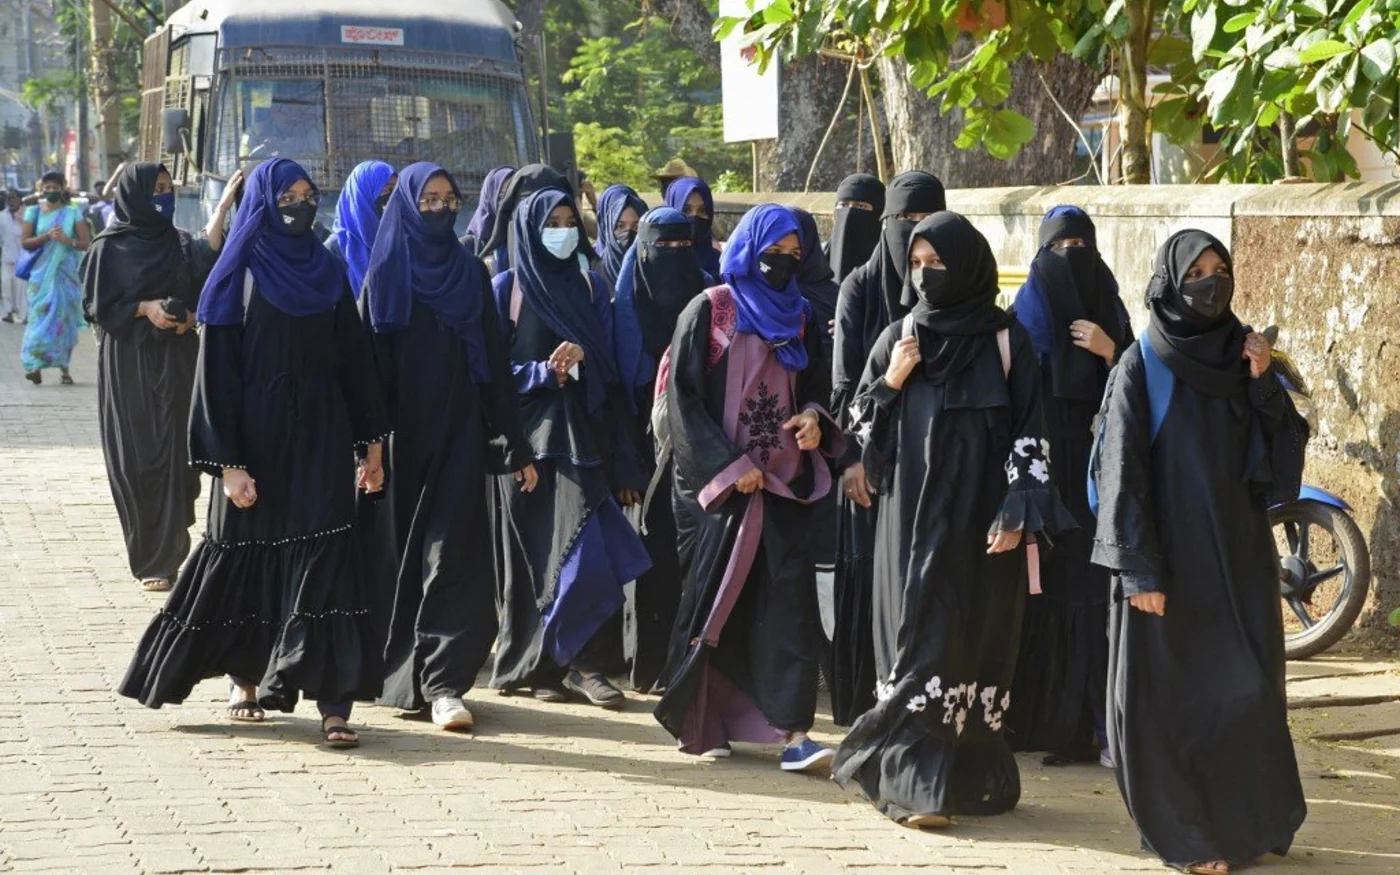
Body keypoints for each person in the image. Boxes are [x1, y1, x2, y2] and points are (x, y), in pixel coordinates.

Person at [118, 159, 390, 750]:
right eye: (286, 195)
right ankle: (245, 680)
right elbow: (216, 380)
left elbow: (356, 363)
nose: (299, 204)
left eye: (307, 194)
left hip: (320, 439)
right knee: (246, 560)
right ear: (263, 201)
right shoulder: (234, 274)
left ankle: (334, 705)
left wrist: (371, 444)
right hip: (256, 446)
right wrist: (230, 464)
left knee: (328, 562)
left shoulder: (328, 269)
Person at [831, 211, 1073, 827]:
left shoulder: (1006, 340)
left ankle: (965, 777)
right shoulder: (898, 337)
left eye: (936, 263)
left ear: (965, 265)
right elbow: (858, 430)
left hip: (982, 528)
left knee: (975, 645)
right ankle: (914, 788)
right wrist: (892, 380)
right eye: (916, 264)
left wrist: (1019, 512)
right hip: (907, 527)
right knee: (920, 640)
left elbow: (1030, 435)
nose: (924, 274)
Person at [1092, 230, 1308, 875]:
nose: (1212, 284)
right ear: (1169, 283)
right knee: (1175, 703)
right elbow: (1119, 473)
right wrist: (1137, 569)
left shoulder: (1244, 356)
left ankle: (1245, 820)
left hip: (1238, 557)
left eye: (1221, 270)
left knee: (1247, 690)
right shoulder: (1142, 364)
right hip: (1167, 560)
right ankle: (1185, 835)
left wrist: (1265, 382)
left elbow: (1283, 467)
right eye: (1196, 274)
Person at [653, 204, 842, 773]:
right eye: (773, 253)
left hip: (784, 486)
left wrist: (813, 418)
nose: (784, 264)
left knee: (787, 603)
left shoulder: (803, 316)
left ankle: (794, 733)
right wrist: (731, 467)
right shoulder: (711, 311)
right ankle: (708, 723)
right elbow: (682, 402)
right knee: (719, 603)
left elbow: (816, 387)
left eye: (794, 255)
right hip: (721, 494)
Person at [361, 162, 537, 730]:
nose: (440, 208)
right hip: (399, 442)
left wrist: (514, 443)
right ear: (409, 206)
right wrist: (369, 448)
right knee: (397, 559)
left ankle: (444, 683)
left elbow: (493, 366)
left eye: (448, 198)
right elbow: (366, 370)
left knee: (454, 556)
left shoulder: (468, 272)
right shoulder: (386, 272)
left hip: (459, 434)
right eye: (429, 199)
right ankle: (394, 674)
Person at [490, 187, 651, 708]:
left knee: (589, 549)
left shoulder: (588, 286)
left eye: (568, 219)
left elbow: (612, 371)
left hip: (585, 439)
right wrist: (542, 372)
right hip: (526, 446)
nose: (561, 229)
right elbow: (487, 376)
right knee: (538, 557)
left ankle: (588, 665)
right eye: (549, 221)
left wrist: (580, 360)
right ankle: (537, 666)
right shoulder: (506, 289)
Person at [1006, 206, 1132, 766]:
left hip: (1102, 483)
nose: (1071, 258)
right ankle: (1054, 727)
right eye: (1059, 249)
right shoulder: (1021, 322)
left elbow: (1141, 393)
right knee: (1050, 599)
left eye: (1081, 245)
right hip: (1044, 481)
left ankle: (1106, 729)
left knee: (1098, 600)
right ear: (1040, 254)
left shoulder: (1110, 309)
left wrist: (1111, 353)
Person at [82, 162, 238, 593]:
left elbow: (204, 273)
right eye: (156, 189)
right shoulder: (107, 248)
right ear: (133, 195)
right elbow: (96, 303)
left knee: (177, 454)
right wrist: (145, 308)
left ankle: (171, 555)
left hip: (177, 359)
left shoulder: (178, 243)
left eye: (169, 188)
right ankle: (151, 557)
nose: (164, 196)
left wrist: (187, 317)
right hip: (129, 362)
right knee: (138, 458)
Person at [828, 170, 945, 726]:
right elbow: (844, 383)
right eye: (900, 221)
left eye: (924, 221)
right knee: (870, 576)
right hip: (871, 463)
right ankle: (866, 701)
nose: (912, 232)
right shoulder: (858, 287)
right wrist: (850, 460)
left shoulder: (960, 292)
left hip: (933, 468)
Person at [611, 206, 705, 692]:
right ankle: (650, 666)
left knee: (697, 562)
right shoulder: (620, 310)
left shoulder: (710, 300)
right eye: (660, 247)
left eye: (681, 246)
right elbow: (612, 394)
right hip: (643, 460)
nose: (672, 257)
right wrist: (627, 465)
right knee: (655, 562)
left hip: (699, 452)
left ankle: (693, 671)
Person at [19, 172, 89, 385]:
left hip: (65, 275)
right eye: (46, 187)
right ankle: (34, 366)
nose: (50, 191)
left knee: (63, 323)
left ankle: (64, 369)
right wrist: (46, 236)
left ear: (62, 188)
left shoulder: (72, 214)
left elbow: (86, 243)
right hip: (40, 278)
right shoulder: (33, 212)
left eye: (54, 187)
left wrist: (66, 240)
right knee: (38, 321)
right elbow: (25, 242)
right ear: (41, 189)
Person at [476, 164, 589, 275]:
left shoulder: (587, 272)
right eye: (552, 224)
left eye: (571, 224)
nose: (563, 232)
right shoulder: (499, 275)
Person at [327, 159, 396, 298]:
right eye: (386, 189)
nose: (393, 197)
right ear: (361, 195)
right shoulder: (334, 250)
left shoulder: (398, 241)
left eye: (396, 190)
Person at [827, 173, 885, 283]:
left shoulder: (889, 267)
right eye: (843, 205)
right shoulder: (816, 265)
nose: (849, 213)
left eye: (861, 206)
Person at [593, 184, 647, 291]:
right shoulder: (591, 269)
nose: (628, 233)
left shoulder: (651, 267)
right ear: (606, 225)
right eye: (620, 226)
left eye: (636, 227)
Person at [664, 176, 720, 278]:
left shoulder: (724, 265)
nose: (694, 217)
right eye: (686, 211)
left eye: (702, 211)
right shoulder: (656, 263)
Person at [462, 165, 515, 260]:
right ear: (489, 196)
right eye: (503, 195)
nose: (508, 201)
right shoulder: (467, 246)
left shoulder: (523, 239)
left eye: (514, 194)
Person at [1, 189, 26, 323]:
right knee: (6, 285)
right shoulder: (2, 216)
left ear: (20, 199)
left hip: (23, 258)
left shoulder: (26, 214)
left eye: (14, 198)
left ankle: (24, 316)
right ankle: (8, 312)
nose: (11, 201)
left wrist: (20, 218)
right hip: (7, 257)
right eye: (9, 198)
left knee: (21, 289)